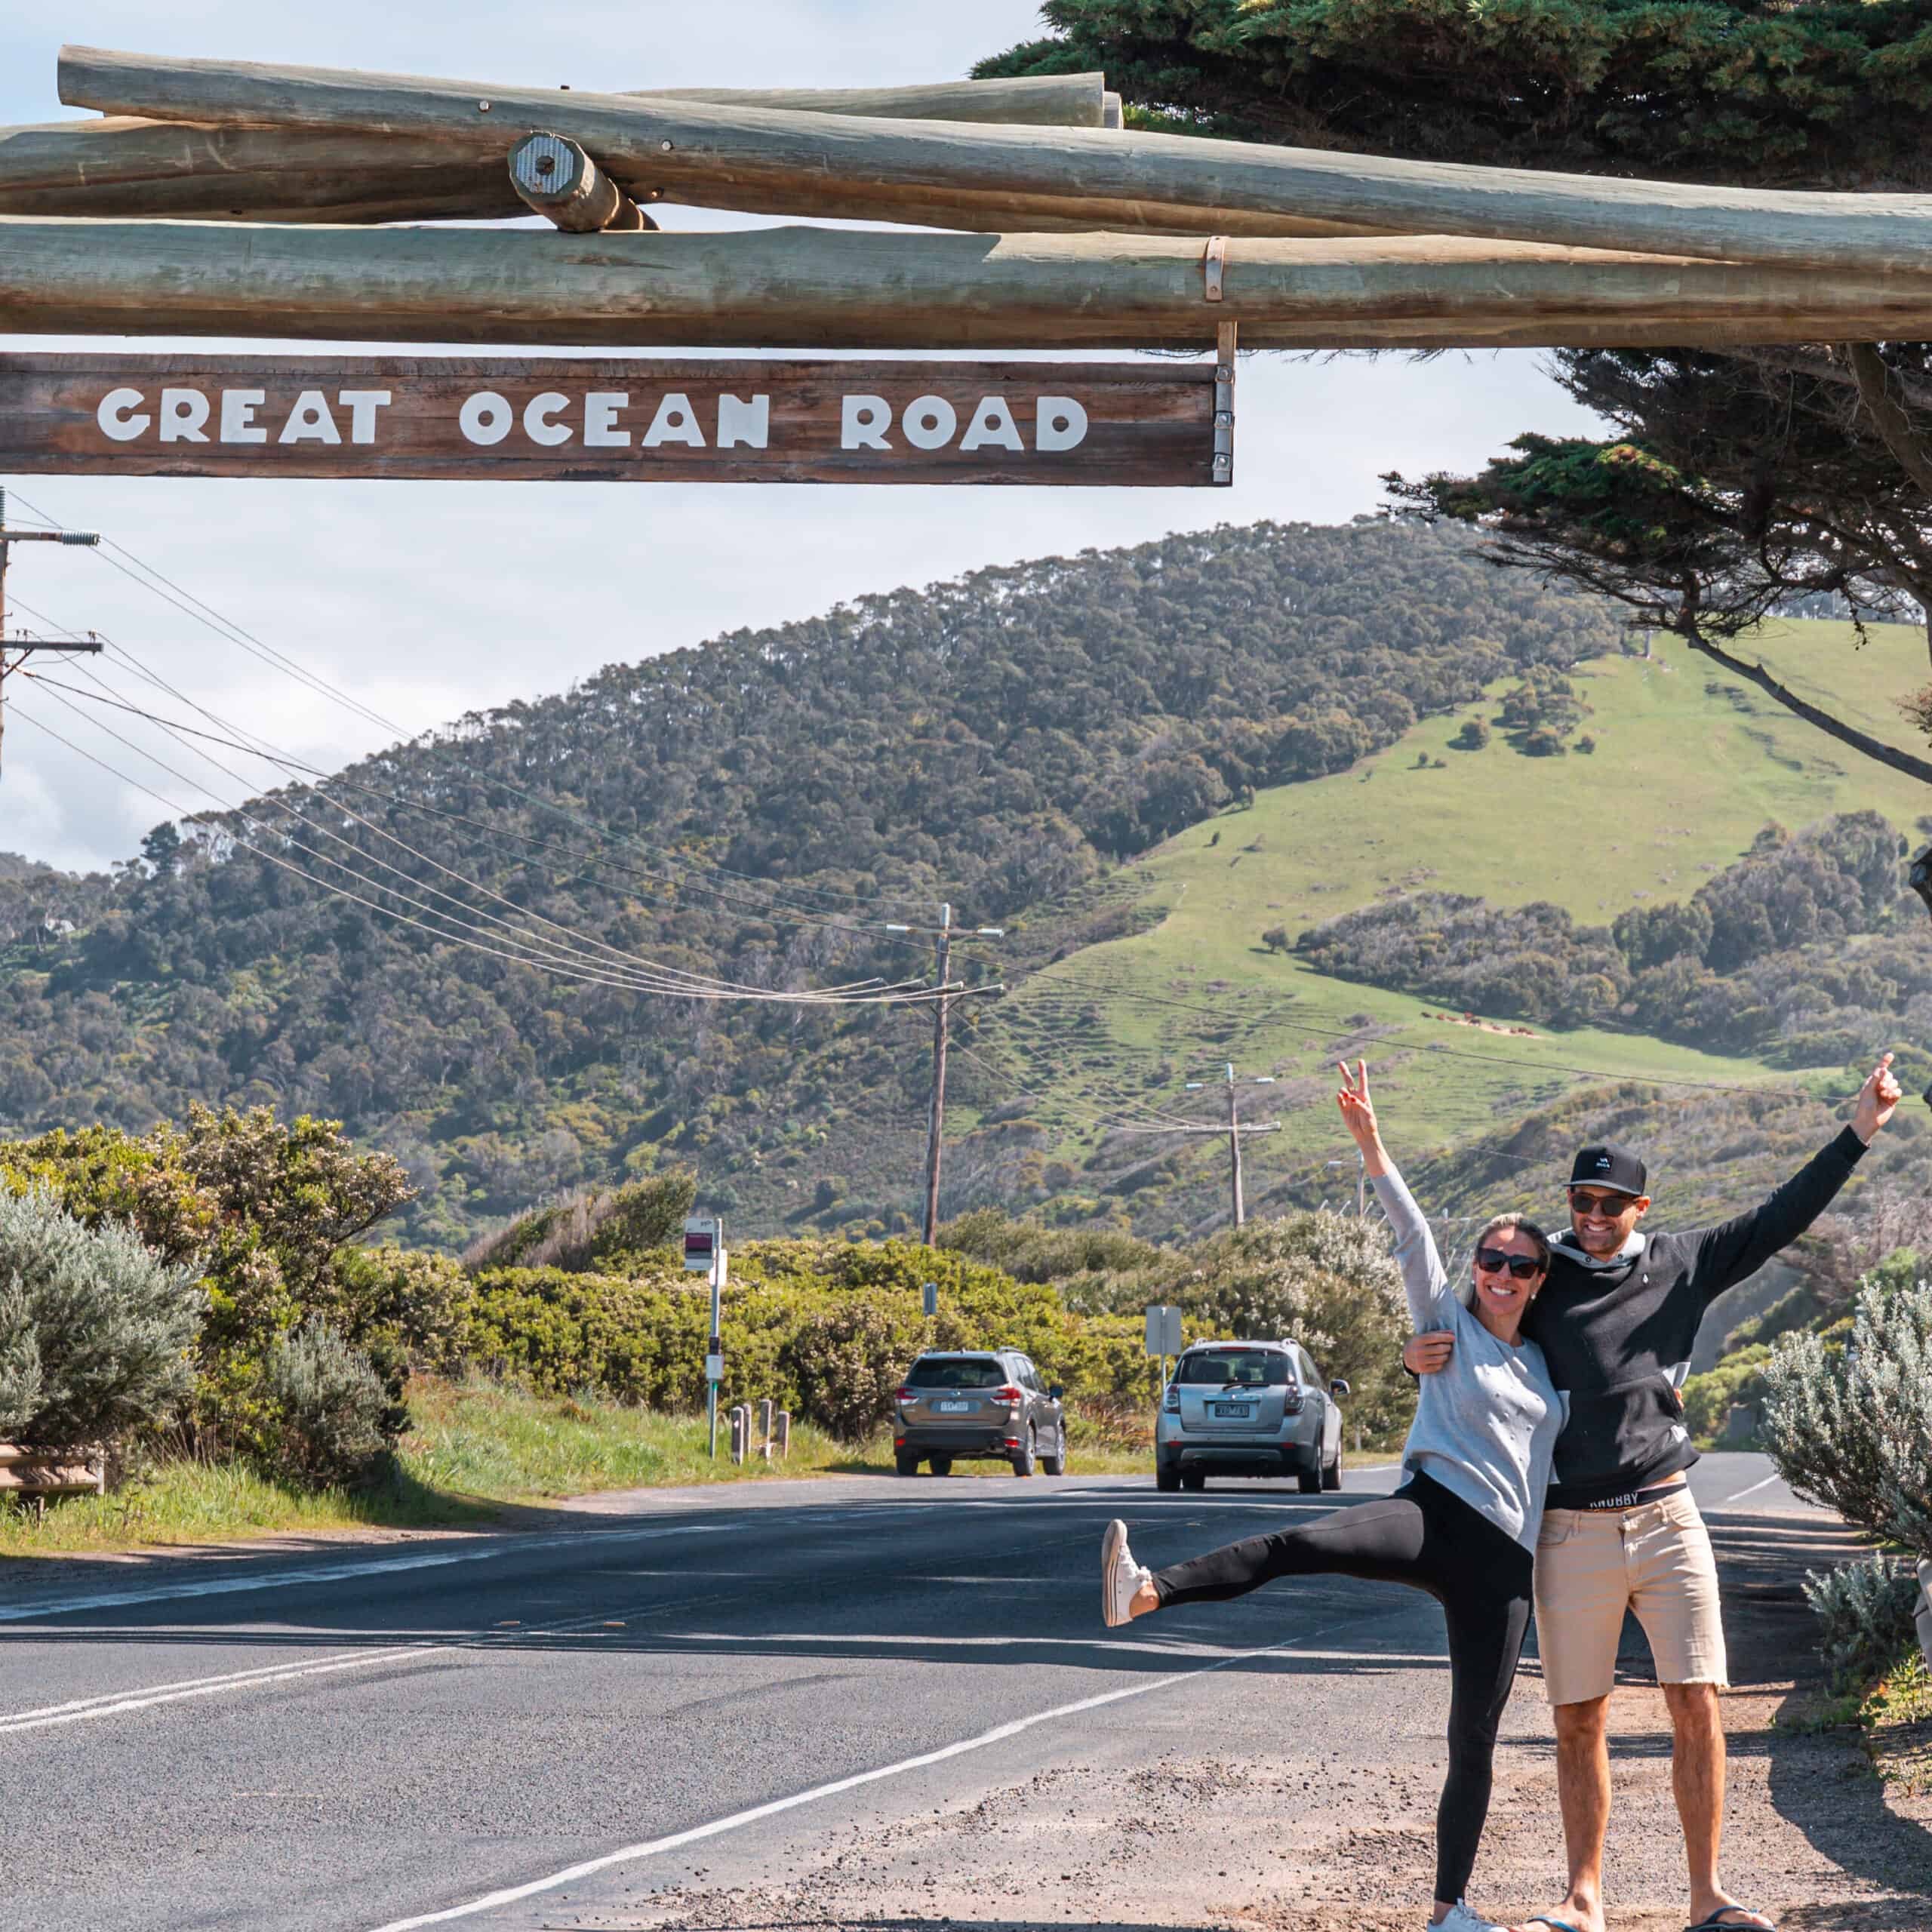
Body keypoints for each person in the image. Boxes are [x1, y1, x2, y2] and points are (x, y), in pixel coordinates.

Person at [1401, 1054, 1903, 1932]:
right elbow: (1460, 1320)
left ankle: (1707, 1897)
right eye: (1579, 1202)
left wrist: (1858, 1129)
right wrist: (1410, 1355)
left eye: (1609, 1205)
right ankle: (1583, 1898)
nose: (1591, 1219)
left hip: (1668, 1515)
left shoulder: (1685, 1261)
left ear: (1641, 1206)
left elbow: (1782, 1215)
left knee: (1696, 1698)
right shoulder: (1539, 1271)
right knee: (1576, 1716)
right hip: (1567, 1527)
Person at [1103, 1063, 1568, 1932]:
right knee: (1301, 1543)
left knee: (1472, 1739)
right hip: (1431, 1516)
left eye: (1520, 1264)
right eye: (1491, 1258)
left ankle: (1448, 1912)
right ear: (1474, 1267)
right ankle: (1148, 1587)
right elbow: (1410, 1230)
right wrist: (1371, 1142)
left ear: (1540, 1279)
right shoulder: (1445, 1322)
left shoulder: (1547, 1367)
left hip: (1505, 1564)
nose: (1502, 1272)